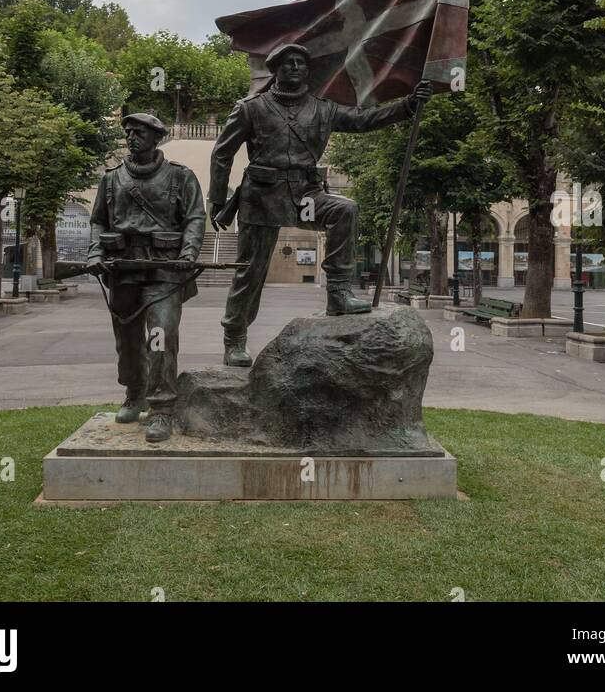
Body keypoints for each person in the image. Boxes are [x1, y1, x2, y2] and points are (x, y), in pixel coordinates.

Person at [208, 43, 432, 366]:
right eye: (288, 62)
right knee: (250, 273)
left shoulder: (323, 109)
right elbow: (222, 153)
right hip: (262, 196)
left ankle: (339, 294)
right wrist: (216, 199)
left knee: (345, 210)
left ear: (308, 70)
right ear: (275, 70)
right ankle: (235, 337)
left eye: (301, 61)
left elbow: (364, 119)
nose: (295, 66)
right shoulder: (250, 108)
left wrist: (408, 106)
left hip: (305, 195)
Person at [87, 111, 206, 443]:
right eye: (128, 132)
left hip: (164, 269)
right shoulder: (111, 179)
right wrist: (96, 252)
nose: (131, 137)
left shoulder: (181, 177)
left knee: (160, 335)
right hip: (122, 267)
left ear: (157, 138)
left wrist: (188, 253)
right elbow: (98, 220)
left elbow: (195, 217)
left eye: (139, 132)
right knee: (126, 340)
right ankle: (134, 392)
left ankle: (162, 409)